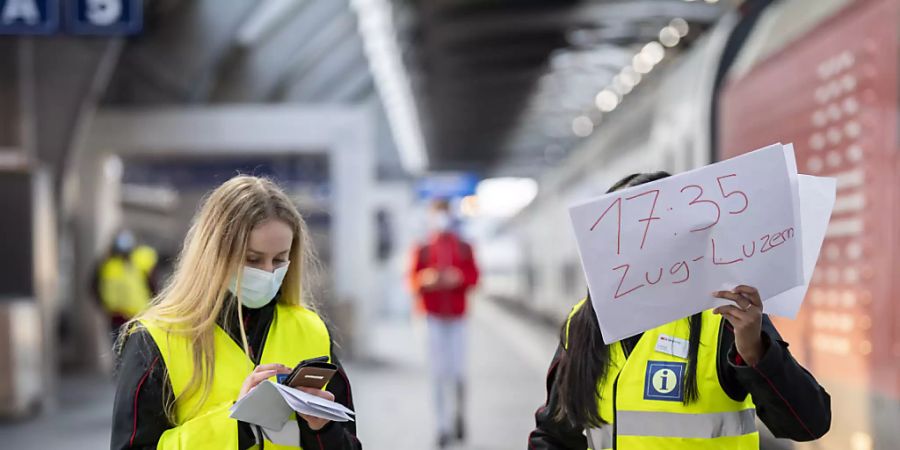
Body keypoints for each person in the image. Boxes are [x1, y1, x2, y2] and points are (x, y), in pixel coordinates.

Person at [528, 172, 831, 450]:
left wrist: (756, 352)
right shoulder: (582, 326)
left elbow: (809, 423)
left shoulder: (724, 318)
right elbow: (554, 436)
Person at [111, 176, 361, 450]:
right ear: (213, 253)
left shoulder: (312, 330)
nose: (268, 272)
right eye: (252, 259)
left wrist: (322, 429)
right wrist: (238, 425)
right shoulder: (156, 338)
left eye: (279, 259)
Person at [408, 198, 479, 448]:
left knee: (458, 371)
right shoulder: (424, 247)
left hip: (457, 317)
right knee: (437, 373)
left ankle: (459, 413)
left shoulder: (463, 247)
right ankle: (442, 426)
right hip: (431, 316)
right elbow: (412, 281)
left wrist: (459, 277)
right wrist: (425, 279)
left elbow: (474, 277)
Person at [94, 230, 160, 337]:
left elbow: (153, 285)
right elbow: (95, 287)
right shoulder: (109, 264)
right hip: (117, 318)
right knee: (120, 349)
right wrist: (105, 307)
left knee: (136, 349)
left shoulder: (141, 261)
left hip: (138, 316)